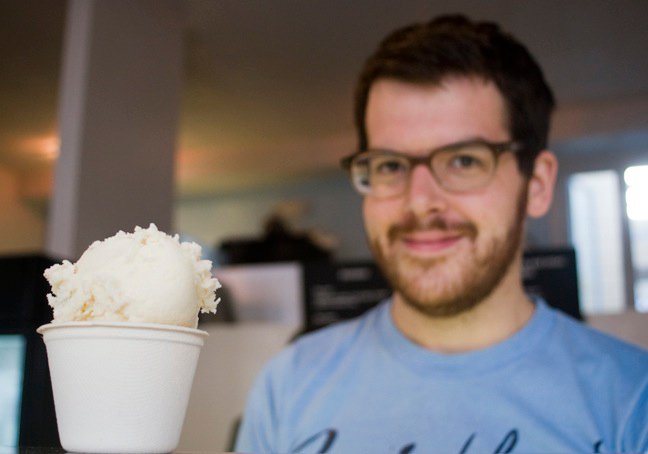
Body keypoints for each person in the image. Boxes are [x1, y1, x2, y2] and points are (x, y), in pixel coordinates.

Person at [235, 15, 648, 453]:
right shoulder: (289, 387)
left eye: (464, 161)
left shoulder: (630, 401)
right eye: (390, 165)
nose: (419, 203)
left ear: (538, 185)